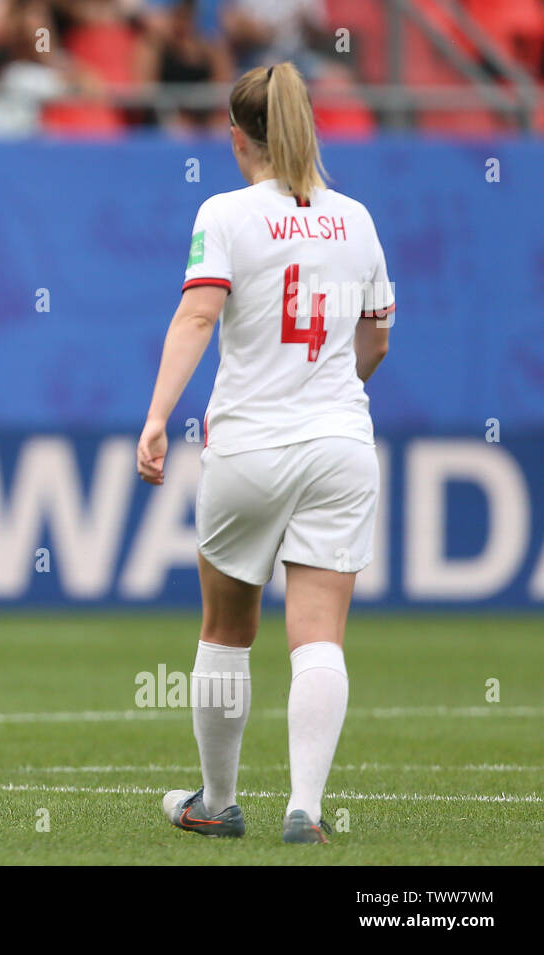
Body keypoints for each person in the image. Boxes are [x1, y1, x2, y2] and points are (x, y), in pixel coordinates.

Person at [135, 62, 392, 844]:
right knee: (319, 634)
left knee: (225, 626)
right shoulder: (356, 218)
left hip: (249, 443)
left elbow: (198, 316)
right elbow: (377, 332)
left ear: (237, 134)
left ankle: (217, 800)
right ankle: (305, 809)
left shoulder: (228, 212)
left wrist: (156, 419)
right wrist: (332, 386)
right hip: (341, 443)